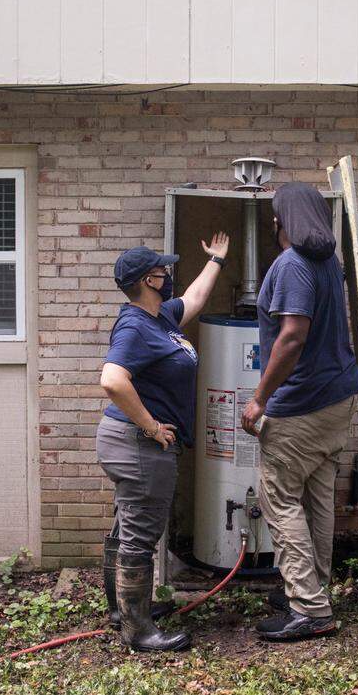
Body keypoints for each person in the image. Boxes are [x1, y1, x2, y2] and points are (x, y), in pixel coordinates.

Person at [241, 182, 358, 642]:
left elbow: (292, 337)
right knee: (317, 495)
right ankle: (312, 587)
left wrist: (260, 398)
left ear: (280, 223)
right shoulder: (329, 263)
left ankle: (310, 609)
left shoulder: (292, 266)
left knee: (281, 499)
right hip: (337, 398)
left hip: (302, 403)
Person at [98, 234, 230, 652]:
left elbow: (192, 299)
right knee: (139, 535)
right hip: (138, 444)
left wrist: (217, 262)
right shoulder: (136, 325)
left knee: (127, 528)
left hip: (129, 441)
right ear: (149, 280)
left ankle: (123, 611)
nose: (169, 274)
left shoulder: (161, 317)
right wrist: (153, 427)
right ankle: (138, 631)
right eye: (163, 270)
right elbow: (112, 380)